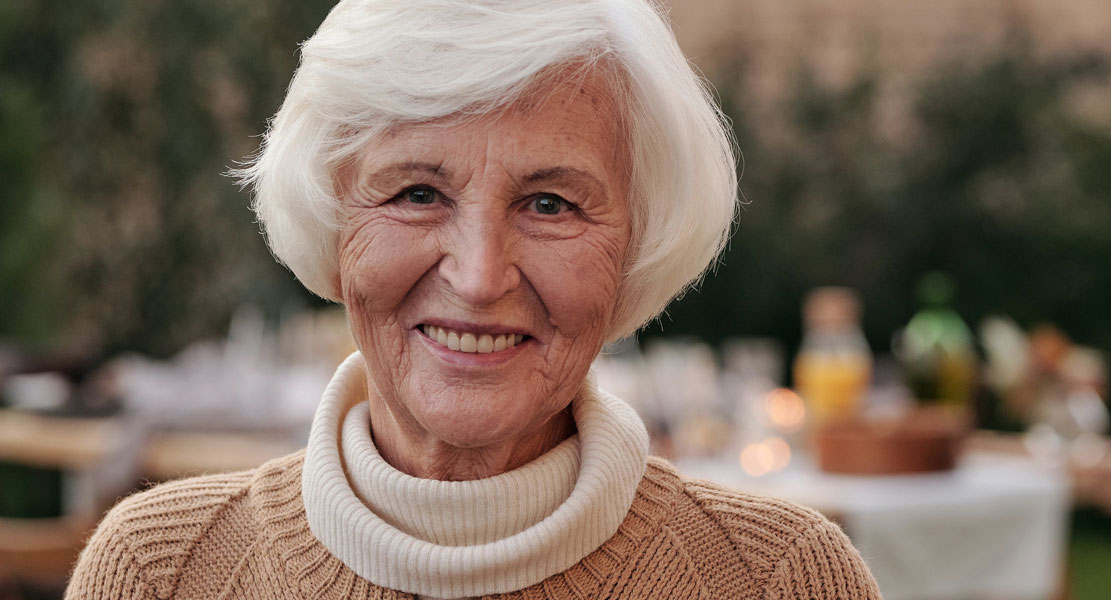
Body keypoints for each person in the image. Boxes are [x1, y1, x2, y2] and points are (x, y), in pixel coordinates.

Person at [63, 0, 881, 598]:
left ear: (636, 243)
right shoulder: (158, 572)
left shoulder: (779, 579)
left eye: (550, 204)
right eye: (417, 193)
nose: (480, 276)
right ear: (332, 215)